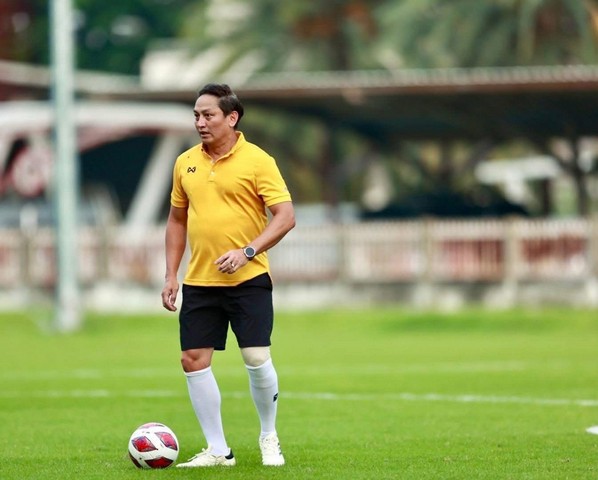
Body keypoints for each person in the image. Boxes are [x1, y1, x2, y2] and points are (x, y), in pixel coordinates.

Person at [161, 83, 295, 468]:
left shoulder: (258, 161)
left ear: (231, 117)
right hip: (199, 281)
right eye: (196, 116)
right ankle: (218, 450)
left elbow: (285, 216)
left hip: (248, 279)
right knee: (192, 360)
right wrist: (170, 275)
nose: (200, 123)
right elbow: (176, 220)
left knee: (255, 356)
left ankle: (269, 435)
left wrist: (247, 251)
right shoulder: (185, 162)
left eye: (208, 115)